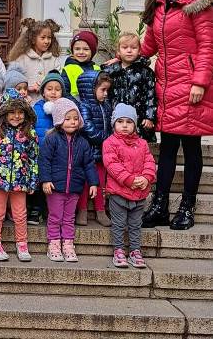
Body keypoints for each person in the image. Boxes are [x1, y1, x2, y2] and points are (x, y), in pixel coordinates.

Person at [140, 0, 213, 231]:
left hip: (192, 86)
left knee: (191, 147)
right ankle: (160, 206)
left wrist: (200, 83)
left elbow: (207, 46)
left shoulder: (198, 4)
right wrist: (122, 58)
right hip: (167, 86)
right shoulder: (159, 6)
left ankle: (187, 207)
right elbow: (149, 47)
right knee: (168, 148)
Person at [39, 98, 99, 262]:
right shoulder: (52, 139)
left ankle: (68, 244)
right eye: (68, 118)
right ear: (59, 120)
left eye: (75, 118)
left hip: (74, 187)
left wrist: (93, 183)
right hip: (55, 187)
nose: (72, 122)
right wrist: (46, 180)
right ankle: (54, 244)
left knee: (69, 218)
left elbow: (89, 164)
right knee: (55, 217)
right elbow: (44, 161)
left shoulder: (83, 142)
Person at [0, 89, 39, 262]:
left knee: (20, 214)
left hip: (20, 180)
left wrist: (32, 181)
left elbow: (33, 158)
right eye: (12, 112)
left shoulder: (30, 133)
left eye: (20, 112)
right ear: (4, 113)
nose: (16, 116)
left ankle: (22, 244)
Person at [103, 103, 156, 269]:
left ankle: (135, 251)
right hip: (118, 193)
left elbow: (149, 162)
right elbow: (112, 165)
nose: (124, 125)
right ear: (114, 124)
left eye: (129, 122)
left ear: (135, 124)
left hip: (139, 194)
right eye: (120, 121)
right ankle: (118, 250)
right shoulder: (110, 143)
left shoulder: (142, 144)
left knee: (135, 225)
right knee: (119, 224)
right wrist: (129, 179)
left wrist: (147, 178)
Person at [103, 32, 157, 142]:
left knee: (138, 145)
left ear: (139, 51)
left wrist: (150, 117)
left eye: (133, 48)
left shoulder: (145, 72)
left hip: (139, 117)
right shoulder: (111, 72)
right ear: (118, 51)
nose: (129, 50)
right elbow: (106, 95)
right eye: (125, 47)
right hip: (117, 117)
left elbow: (151, 95)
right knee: (118, 144)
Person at [76, 71, 112, 226]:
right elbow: (89, 130)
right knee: (85, 183)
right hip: (87, 154)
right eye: (103, 90)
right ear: (91, 89)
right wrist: (109, 138)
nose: (106, 94)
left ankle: (100, 210)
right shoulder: (84, 106)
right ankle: (82, 210)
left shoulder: (106, 106)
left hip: (101, 154)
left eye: (107, 90)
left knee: (100, 183)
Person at [29, 71, 64, 224]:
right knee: (38, 182)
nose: (53, 92)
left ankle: (52, 211)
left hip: (58, 154)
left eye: (57, 89)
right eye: (49, 89)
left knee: (53, 183)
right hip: (40, 152)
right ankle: (36, 209)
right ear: (43, 92)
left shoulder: (64, 108)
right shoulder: (37, 108)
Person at [8, 18, 62, 102]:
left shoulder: (54, 59)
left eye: (49, 38)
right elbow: (13, 81)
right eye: (43, 38)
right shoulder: (21, 59)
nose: (47, 41)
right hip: (26, 102)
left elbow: (58, 80)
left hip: (48, 104)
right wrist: (28, 88)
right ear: (33, 39)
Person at [61, 30, 100, 100]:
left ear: (92, 51)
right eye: (77, 49)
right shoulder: (68, 69)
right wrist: (77, 104)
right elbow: (64, 92)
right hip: (74, 104)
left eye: (86, 49)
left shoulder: (97, 69)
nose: (81, 52)